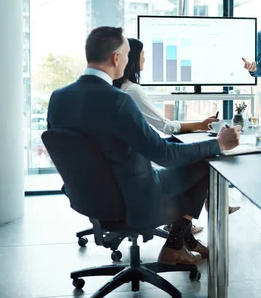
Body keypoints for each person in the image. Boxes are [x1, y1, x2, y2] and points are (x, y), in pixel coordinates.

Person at [47, 26, 241, 265]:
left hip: (89, 197)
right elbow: (165, 156)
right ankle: (175, 244)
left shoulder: (58, 98)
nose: (129, 60)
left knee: (192, 158)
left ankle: (183, 243)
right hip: (136, 200)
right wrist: (218, 143)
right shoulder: (119, 101)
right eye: (127, 55)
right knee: (203, 162)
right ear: (116, 58)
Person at [114, 38, 240, 233]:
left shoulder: (116, 89)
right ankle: (180, 231)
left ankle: (191, 220)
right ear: (132, 59)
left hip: (127, 166)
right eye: (143, 54)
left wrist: (198, 126)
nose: (145, 59)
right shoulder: (132, 90)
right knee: (203, 160)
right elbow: (165, 126)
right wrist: (200, 124)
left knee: (192, 149)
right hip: (142, 174)